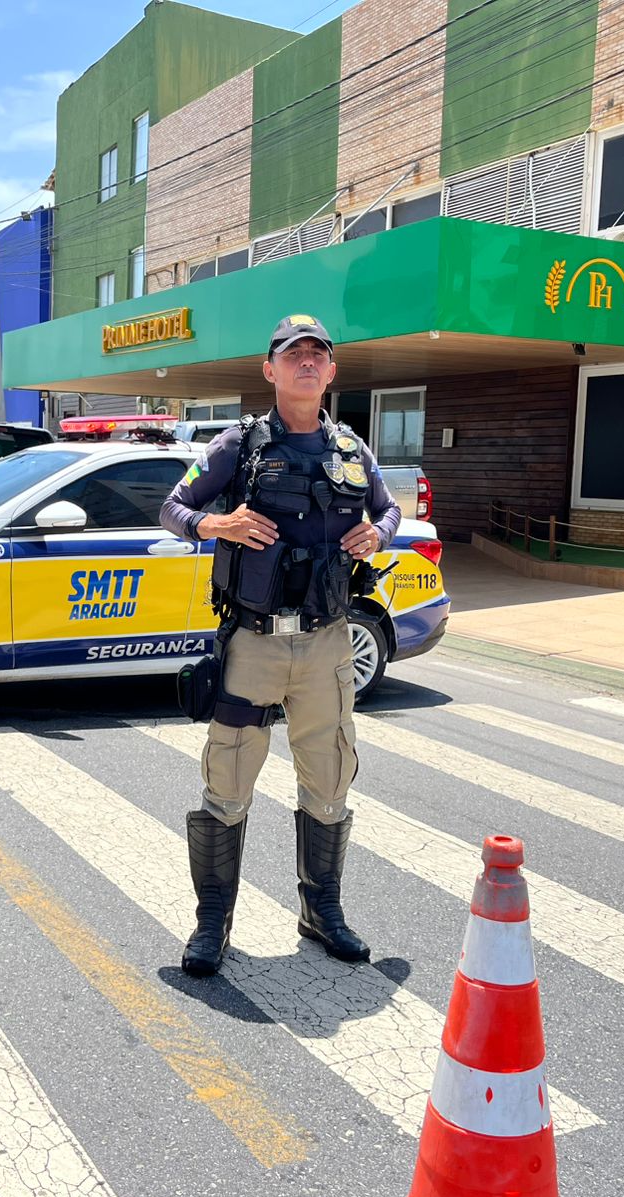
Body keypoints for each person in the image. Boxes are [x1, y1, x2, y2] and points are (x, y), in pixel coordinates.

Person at [160, 315, 401, 976]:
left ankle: (322, 911)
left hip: (326, 646)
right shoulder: (238, 444)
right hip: (254, 644)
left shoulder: (351, 448)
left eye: (317, 354)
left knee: (329, 780)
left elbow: (388, 509)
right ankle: (213, 922)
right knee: (228, 781)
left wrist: (379, 534)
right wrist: (217, 523)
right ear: (270, 369)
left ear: (331, 372)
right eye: (293, 354)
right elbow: (173, 508)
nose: (306, 363)